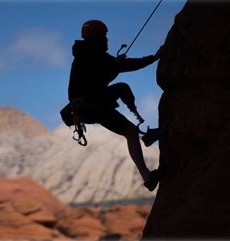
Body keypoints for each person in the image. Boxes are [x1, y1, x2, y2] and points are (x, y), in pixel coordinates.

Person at [67, 19, 162, 191]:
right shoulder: (92, 54)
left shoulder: (86, 54)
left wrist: (116, 66)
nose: (107, 40)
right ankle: (143, 135)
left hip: (88, 108)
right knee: (122, 89)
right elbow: (101, 76)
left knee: (130, 132)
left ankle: (148, 175)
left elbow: (102, 75)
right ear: (98, 38)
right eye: (104, 36)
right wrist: (152, 58)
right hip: (92, 105)